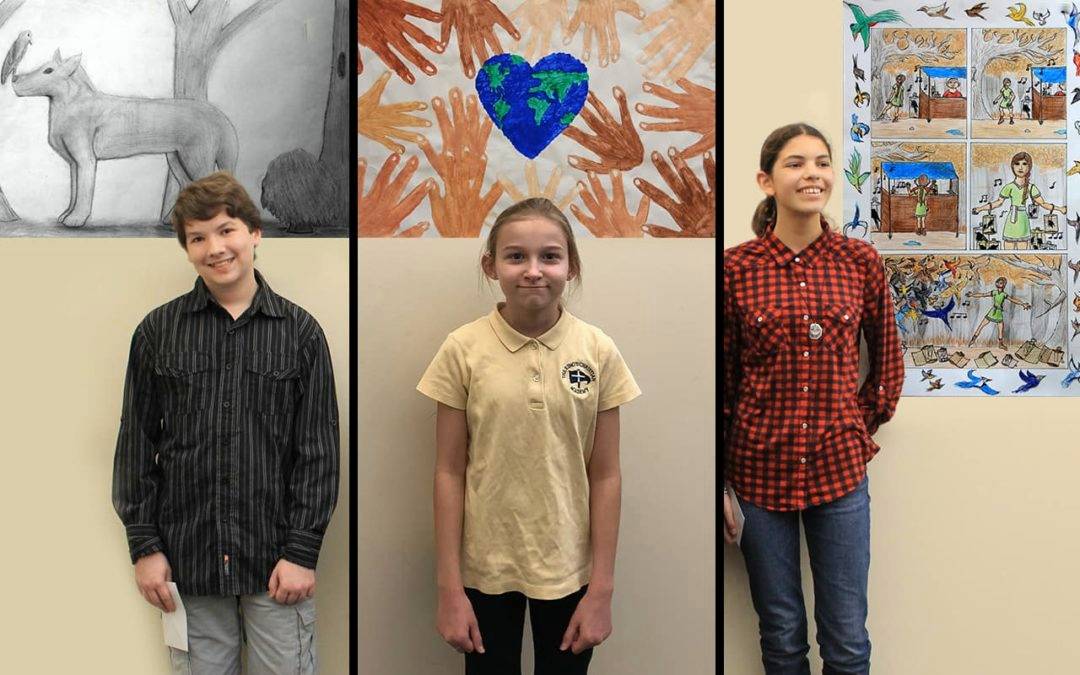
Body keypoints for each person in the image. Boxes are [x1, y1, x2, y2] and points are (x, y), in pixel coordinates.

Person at [111, 171, 339, 673]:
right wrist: (144, 546)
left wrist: (302, 551)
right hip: (188, 560)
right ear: (187, 249)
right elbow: (135, 446)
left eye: (226, 229)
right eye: (197, 237)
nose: (215, 247)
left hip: (277, 563)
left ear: (254, 232)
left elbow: (318, 452)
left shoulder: (301, 334)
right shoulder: (157, 333)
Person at [418, 197, 640, 675]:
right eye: (516, 256)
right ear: (491, 265)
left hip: (570, 570)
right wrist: (449, 589)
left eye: (550, 256)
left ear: (571, 266)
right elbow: (448, 471)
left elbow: (605, 476)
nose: (533, 270)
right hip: (484, 570)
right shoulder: (463, 349)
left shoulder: (598, 351)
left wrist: (602, 589)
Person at [723, 123, 904, 674]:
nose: (813, 174)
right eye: (796, 163)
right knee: (780, 637)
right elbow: (724, 383)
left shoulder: (860, 261)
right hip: (756, 475)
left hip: (840, 474)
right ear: (766, 180)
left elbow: (888, 365)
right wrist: (721, 483)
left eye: (822, 163)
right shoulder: (734, 269)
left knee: (847, 640)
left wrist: (853, 425)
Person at [971, 151, 1064, 250]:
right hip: (1010, 222)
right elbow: (998, 202)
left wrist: (1060, 209)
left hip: (1023, 222)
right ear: (1012, 167)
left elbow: (1043, 203)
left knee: (1023, 252)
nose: (1020, 167)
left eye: (1024, 164)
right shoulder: (1009, 187)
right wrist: (980, 209)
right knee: (1008, 252)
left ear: (1029, 167)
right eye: (1017, 164)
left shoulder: (1031, 187)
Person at [966, 276, 1030, 351]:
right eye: (999, 282)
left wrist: (1023, 304)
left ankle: (1000, 344)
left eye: (1002, 283)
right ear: (997, 284)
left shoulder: (1004, 294)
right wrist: (972, 295)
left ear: (1004, 285)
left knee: (1000, 329)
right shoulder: (994, 292)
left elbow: (1013, 300)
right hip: (993, 311)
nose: (1000, 284)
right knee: (981, 326)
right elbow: (983, 295)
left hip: (998, 313)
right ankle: (972, 340)